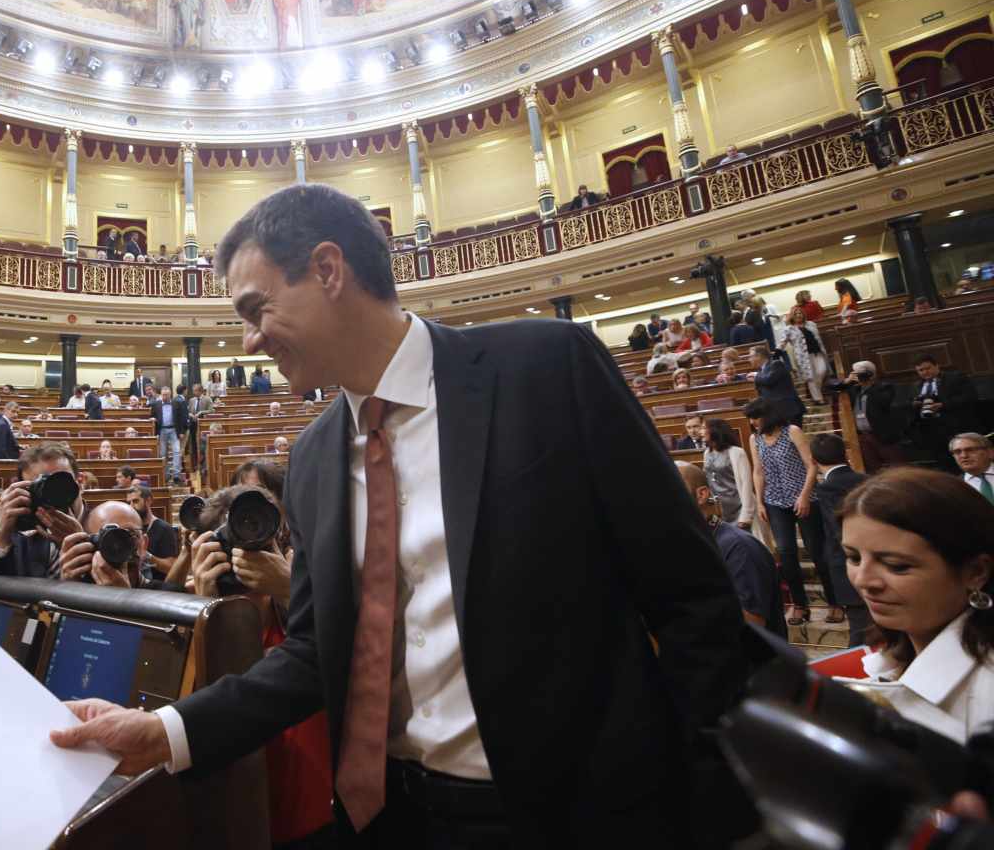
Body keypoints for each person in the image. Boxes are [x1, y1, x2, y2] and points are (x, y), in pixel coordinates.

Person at [50, 183, 744, 846]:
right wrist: (163, 732)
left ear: (328, 269)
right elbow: (315, 652)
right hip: (394, 817)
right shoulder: (316, 456)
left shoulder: (545, 370)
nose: (249, 343)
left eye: (257, 308)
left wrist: (704, 795)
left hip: (585, 817)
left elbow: (691, 600)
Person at [188, 484, 335, 844]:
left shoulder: (308, 626)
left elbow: (354, 654)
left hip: (322, 822)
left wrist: (291, 588)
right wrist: (205, 612)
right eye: (230, 541)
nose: (246, 551)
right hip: (244, 826)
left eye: (257, 537)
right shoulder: (186, 629)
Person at [839, 467, 994, 743]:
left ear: (975, 572)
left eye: (896, 566)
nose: (864, 580)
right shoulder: (886, 659)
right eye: (853, 558)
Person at [746, 397, 841, 627]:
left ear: (767, 415)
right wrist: (759, 502)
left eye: (755, 417)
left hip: (804, 499)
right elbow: (758, 471)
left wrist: (805, 495)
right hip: (775, 502)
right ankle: (800, 604)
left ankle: (835, 602)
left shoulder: (792, 431)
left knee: (816, 551)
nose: (752, 422)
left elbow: (811, 465)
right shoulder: (754, 438)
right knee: (786, 552)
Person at [676, 461, 785, 640]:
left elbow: (753, 624)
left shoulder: (739, 547)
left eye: (672, 486)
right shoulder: (687, 544)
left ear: (701, 494)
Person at [0, 443, 84, 578]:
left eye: (60, 483)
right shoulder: (23, 538)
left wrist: (81, 544)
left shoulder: (106, 524)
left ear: (80, 482)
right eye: (42, 487)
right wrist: (1, 539)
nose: (54, 495)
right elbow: (4, 591)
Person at [809, 433, 874, 641]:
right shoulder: (866, 480)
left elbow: (838, 530)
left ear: (814, 460)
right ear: (845, 454)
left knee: (859, 629)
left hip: (847, 566)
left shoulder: (826, 488)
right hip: (875, 558)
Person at [910, 353, 978, 471]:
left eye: (928, 368)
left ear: (937, 366)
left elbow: (970, 397)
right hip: (932, 430)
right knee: (945, 463)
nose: (925, 372)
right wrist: (915, 405)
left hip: (956, 426)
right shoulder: (917, 385)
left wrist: (943, 405)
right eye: (921, 370)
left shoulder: (956, 377)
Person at [702, 418, 756, 529]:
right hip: (719, 508)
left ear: (715, 430)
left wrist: (746, 514)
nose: (700, 432)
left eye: (703, 428)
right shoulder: (707, 452)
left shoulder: (736, 452)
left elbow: (746, 484)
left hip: (738, 506)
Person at [128, 484, 178, 582]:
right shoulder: (128, 529)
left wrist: (147, 556)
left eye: (135, 501)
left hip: (156, 588)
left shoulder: (164, 529)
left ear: (148, 501)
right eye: (129, 502)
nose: (131, 506)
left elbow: (171, 567)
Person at [749, 344, 804, 428]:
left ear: (759, 356)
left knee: (794, 437)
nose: (749, 359)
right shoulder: (762, 371)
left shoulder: (776, 364)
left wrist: (756, 376)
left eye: (751, 356)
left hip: (788, 410)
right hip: (777, 412)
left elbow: (769, 380)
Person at [782, 306, 829, 404]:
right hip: (803, 357)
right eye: (796, 314)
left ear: (803, 314)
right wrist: (778, 350)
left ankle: (815, 391)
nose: (799, 315)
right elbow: (783, 341)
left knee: (822, 371)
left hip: (817, 352)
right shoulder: (789, 329)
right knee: (811, 376)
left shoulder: (811, 324)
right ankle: (818, 399)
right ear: (792, 316)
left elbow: (817, 338)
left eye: (800, 313)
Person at [150, 385, 188, 483]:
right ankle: (166, 474)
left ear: (170, 394)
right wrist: (153, 419)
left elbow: (181, 418)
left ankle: (176, 474)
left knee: (176, 451)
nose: (165, 397)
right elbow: (152, 416)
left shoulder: (177, 403)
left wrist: (182, 432)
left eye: (166, 395)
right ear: (161, 394)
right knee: (163, 453)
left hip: (174, 430)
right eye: (163, 395)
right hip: (162, 430)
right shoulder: (156, 404)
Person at [951, 433, 994, 503]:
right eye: (957, 452)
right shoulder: (952, 487)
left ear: (990, 452)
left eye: (970, 450)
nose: (964, 456)